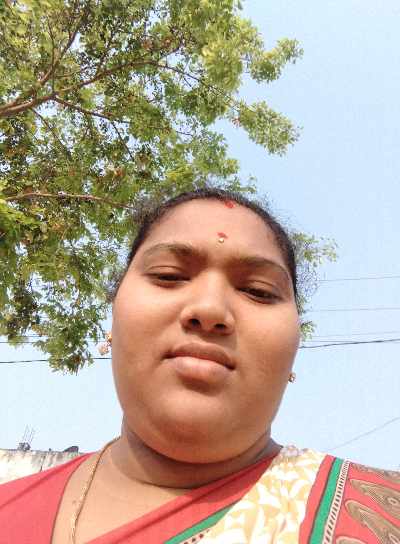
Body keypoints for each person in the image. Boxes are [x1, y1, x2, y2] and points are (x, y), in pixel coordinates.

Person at [1, 188, 399, 544]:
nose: (209, 309)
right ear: (113, 318)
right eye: (169, 275)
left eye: (258, 291)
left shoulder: (382, 514)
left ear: (294, 349)